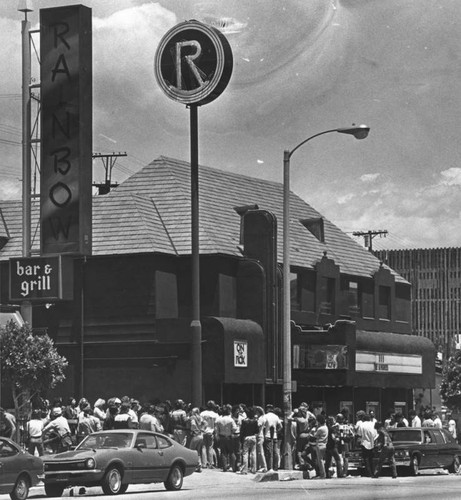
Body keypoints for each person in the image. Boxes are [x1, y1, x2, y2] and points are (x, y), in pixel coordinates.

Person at [215, 404, 237, 472]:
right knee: (231, 452)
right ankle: (233, 467)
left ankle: (224, 467)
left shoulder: (218, 420)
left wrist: (217, 436)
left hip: (222, 437)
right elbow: (234, 428)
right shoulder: (231, 420)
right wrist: (231, 431)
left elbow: (216, 430)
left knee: (223, 452)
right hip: (229, 437)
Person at [238, 407, 259, 474]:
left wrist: (241, 439)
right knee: (253, 453)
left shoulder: (244, 421)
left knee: (245, 453)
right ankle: (254, 469)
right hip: (253, 437)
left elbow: (242, 431)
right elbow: (257, 431)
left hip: (246, 438)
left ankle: (245, 469)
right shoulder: (255, 421)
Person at [262, 404, 282, 472]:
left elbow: (262, 425)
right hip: (275, 436)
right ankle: (275, 467)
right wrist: (276, 431)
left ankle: (269, 467)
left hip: (267, 436)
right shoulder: (276, 416)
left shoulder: (265, 416)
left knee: (268, 453)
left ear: (267, 409)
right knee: (275, 452)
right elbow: (280, 426)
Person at [200, 400, 220, 469]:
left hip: (203, 432)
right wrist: (216, 434)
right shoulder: (215, 415)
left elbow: (200, 423)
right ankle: (210, 463)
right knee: (210, 448)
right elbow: (216, 426)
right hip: (211, 432)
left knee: (203, 447)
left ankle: (204, 463)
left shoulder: (202, 413)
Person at [188, 407, 206, 472]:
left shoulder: (193, 417)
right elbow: (205, 423)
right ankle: (199, 465)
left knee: (191, 451)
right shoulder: (200, 417)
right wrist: (202, 429)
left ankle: (192, 465)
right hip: (201, 435)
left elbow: (193, 424)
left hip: (195, 435)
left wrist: (193, 430)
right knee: (198, 451)